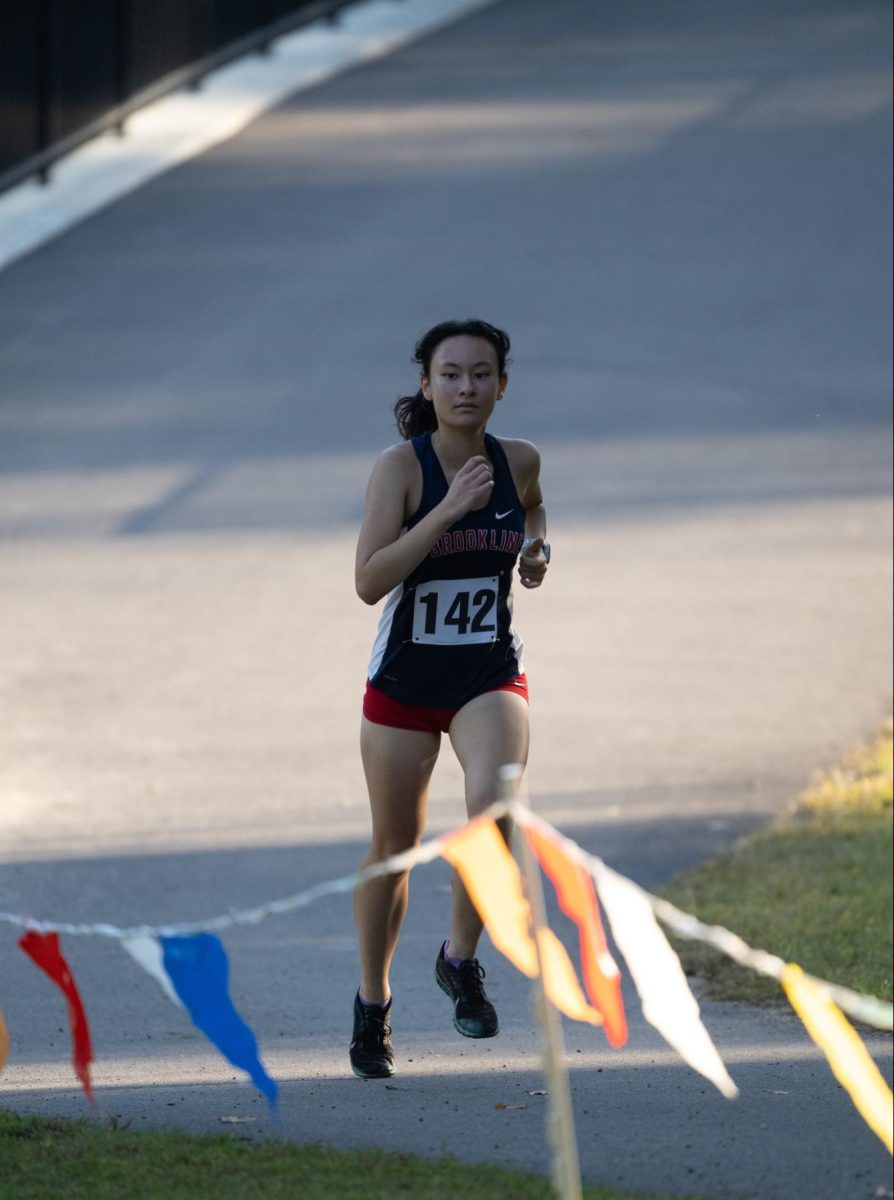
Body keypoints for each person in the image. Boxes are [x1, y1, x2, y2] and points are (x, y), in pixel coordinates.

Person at [350, 318, 550, 1079]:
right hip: (404, 683)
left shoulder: (520, 460)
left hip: (486, 674)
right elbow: (370, 581)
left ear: (503, 385)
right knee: (393, 850)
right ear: (426, 385)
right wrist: (445, 512)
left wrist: (537, 549)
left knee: (497, 810)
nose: (468, 388)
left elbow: (533, 507)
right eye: (452, 374)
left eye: (483, 374)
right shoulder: (400, 469)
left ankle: (459, 957)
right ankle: (373, 1005)